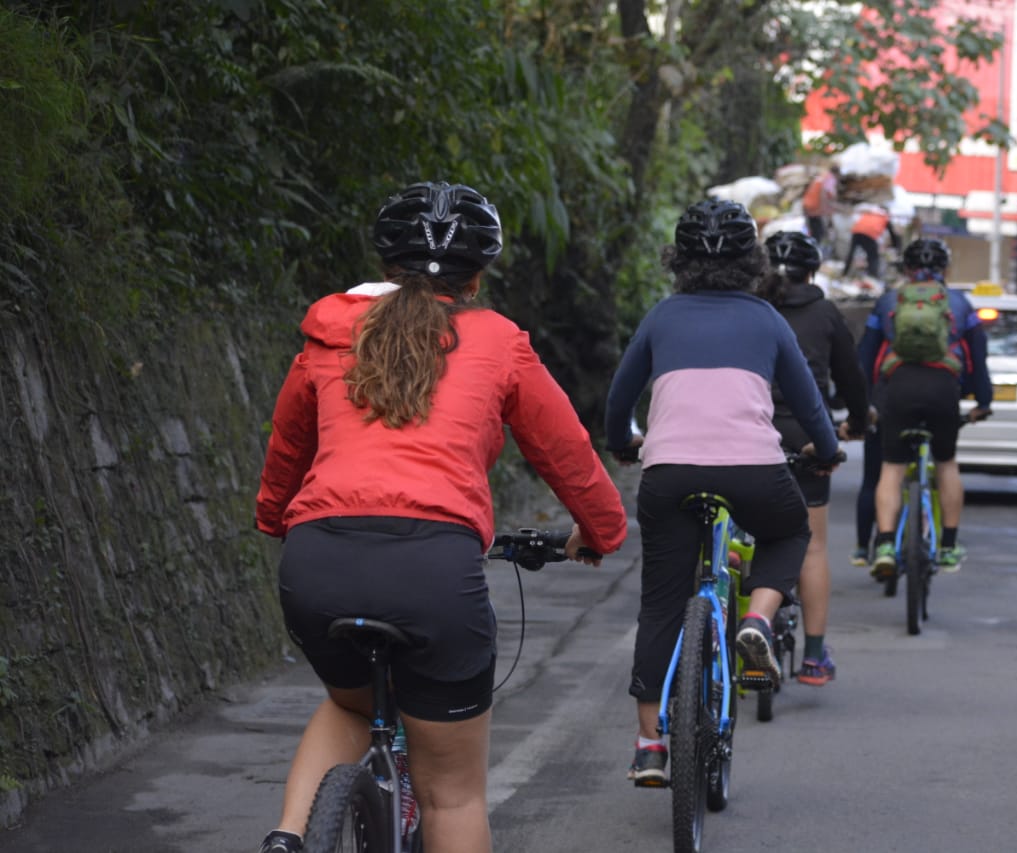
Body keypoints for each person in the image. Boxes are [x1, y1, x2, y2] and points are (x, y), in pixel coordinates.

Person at [253, 181, 628, 853]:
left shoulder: (330, 332)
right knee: (452, 795)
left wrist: (277, 519)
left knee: (348, 704)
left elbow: (288, 446)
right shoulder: (499, 342)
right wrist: (600, 532)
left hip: (318, 560)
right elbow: (566, 451)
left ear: (385, 266)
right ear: (477, 278)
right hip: (432, 569)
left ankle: (288, 837)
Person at [605, 199, 842, 785]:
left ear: (677, 259)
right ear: (752, 261)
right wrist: (827, 450)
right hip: (753, 470)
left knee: (661, 603)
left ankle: (649, 746)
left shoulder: (661, 317)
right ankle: (757, 619)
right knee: (791, 532)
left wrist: (622, 442)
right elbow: (809, 404)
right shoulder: (767, 319)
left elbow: (619, 399)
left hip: (669, 473)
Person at [759, 231, 869, 686]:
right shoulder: (825, 313)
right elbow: (851, 376)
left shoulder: (751, 308)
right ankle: (814, 658)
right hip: (806, 434)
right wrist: (856, 421)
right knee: (812, 546)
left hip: (749, 427)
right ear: (812, 272)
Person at [857, 238, 992, 577]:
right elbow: (978, 358)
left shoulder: (888, 301)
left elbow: (866, 357)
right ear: (945, 269)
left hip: (899, 387)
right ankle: (948, 546)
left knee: (892, 468)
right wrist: (983, 402)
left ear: (906, 269)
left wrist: (866, 402)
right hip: (943, 388)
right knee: (946, 464)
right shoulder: (960, 304)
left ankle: (884, 545)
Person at [842, 202, 900, 280]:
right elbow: (892, 234)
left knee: (851, 253)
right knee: (873, 257)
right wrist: (896, 246)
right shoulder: (884, 217)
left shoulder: (871, 212)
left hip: (856, 232)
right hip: (869, 235)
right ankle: (872, 277)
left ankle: (844, 273)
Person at [802, 164, 840, 251]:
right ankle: (813, 252)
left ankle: (812, 250)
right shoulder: (830, 179)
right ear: (837, 174)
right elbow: (824, 194)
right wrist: (826, 209)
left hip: (808, 205)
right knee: (818, 233)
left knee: (815, 231)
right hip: (815, 208)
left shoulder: (822, 177)